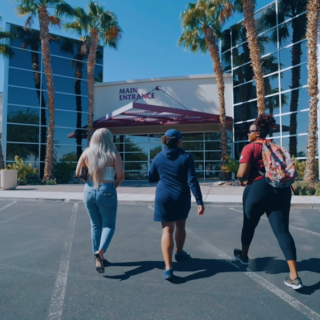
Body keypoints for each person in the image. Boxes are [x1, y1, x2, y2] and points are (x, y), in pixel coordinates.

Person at [235, 114, 302, 289]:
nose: (247, 134)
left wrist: (241, 179)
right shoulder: (276, 147)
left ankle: (244, 256)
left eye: (249, 131)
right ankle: (294, 275)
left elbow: (241, 174)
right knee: (282, 230)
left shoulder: (250, 147)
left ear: (257, 132)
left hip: (257, 188)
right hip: (281, 190)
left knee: (249, 224)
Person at [148, 129, 205, 280]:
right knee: (180, 226)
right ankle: (179, 253)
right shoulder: (187, 157)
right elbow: (192, 180)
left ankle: (168, 268)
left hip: (163, 196)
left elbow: (151, 177)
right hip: (181, 196)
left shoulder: (158, 157)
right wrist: (199, 201)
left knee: (167, 230)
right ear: (179, 141)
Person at [76, 128, 124, 274]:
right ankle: (100, 252)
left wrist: (90, 182)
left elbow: (78, 173)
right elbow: (120, 176)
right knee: (109, 225)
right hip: (107, 188)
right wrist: (113, 186)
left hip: (89, 190)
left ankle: (98, 256)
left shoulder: (86, 153)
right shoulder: (113, 154)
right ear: (109, 139)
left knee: (95, 225)